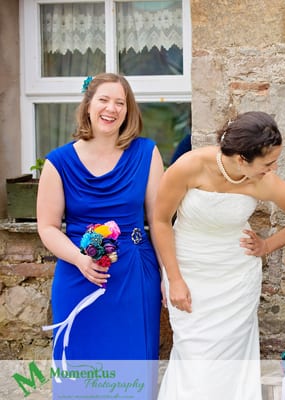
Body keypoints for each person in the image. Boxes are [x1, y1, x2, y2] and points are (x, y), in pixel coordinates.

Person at [151, 111, 285, 399]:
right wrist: (174, 278)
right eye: (268, 163)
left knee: (229, 365)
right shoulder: (189, 166)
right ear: (242, 159)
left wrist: (268, 245)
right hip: (189, 274)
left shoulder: (263, 181)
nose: (273, 168)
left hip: (236, 281)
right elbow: (159, 221)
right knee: (194, 359)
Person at [37, 72, 162, 398]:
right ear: (88, 105)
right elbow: (47, 227)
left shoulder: (147, 154)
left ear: (128, 109)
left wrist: (169, 274)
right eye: (104, 100)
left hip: (134, 272)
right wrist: (80, 260)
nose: (112, 109)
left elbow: (159, 220)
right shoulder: (58, 162)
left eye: (120, 102)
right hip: (79, 274)